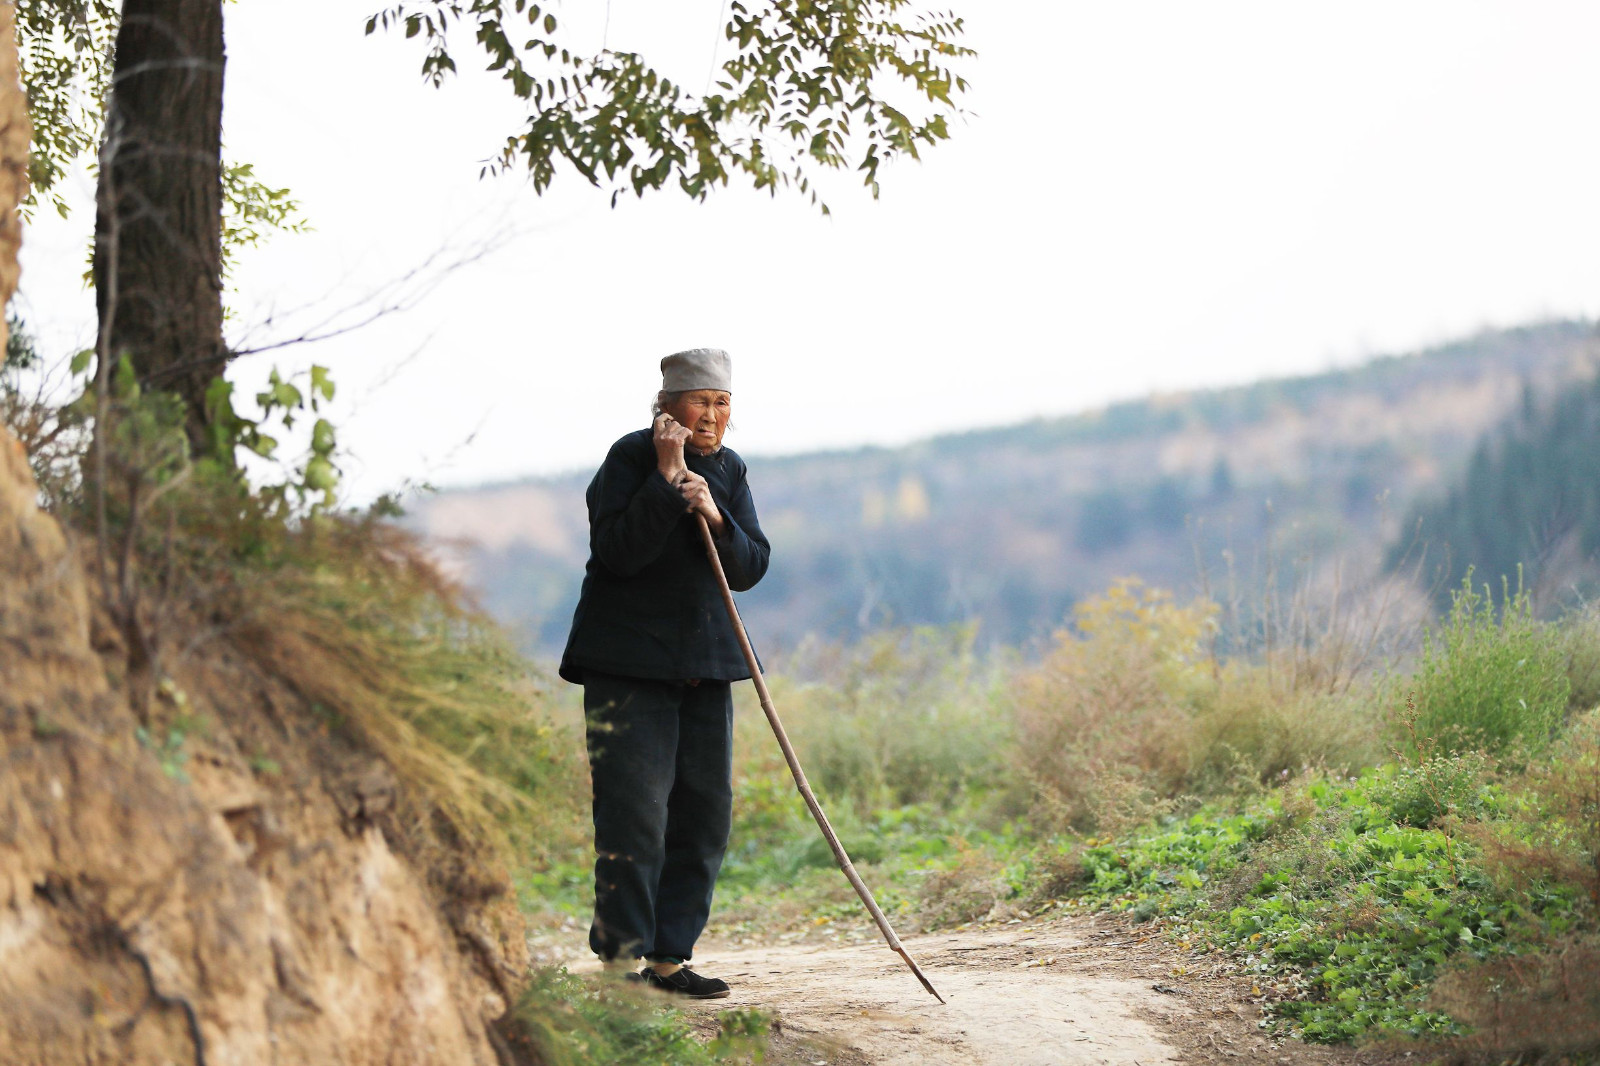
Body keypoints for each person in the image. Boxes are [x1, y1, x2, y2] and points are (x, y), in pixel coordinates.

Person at [558, 348, 770, 999]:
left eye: (722, 402)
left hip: (705, 665)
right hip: (628, 665)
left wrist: (712, 510)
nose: (712, 415)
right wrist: (667, 476)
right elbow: (619, 552)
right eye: (700, 401)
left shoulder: (729, 470)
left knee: (704, 813)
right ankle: (621, 961)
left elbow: (751, 564)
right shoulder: (628, 458)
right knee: (634, 813)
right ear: (667, 406)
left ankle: (671, 957)